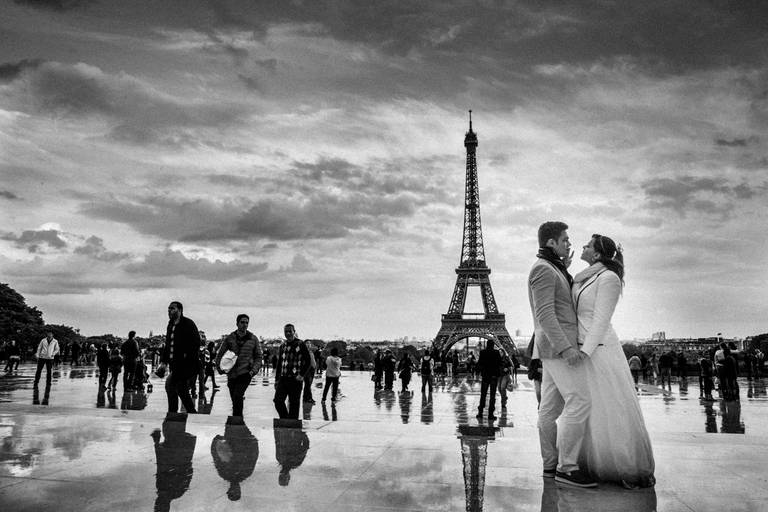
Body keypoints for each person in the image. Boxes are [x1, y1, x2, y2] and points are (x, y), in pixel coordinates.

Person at [572, 233, 654, 488]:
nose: (582, 247)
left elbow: (601, 320)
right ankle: (594, 461)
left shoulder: (608, 278)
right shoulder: (584, 278)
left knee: (609, 406)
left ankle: (621, 464)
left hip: (599, 350)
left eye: (587, 245)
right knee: (593, 407)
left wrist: (584, 351)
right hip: (585, 346)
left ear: (596, 254)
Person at [528, 221, 595, 488]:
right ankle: (567, 467)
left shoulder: (550, 268)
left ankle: (550, 464)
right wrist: (567, 348)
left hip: (550, 350)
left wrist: (564, 267)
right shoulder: (544, 270)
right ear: (551, 243)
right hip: (559, 349)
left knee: (549, 409)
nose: (569, 243)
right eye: (565, 239)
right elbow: (545, 314)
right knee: (580, 401)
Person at [216, 314, 262, 418]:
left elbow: (259, 357)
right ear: (237, 323)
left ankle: (237, 420)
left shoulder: (253, 339)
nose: (245, 325)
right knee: (235, 398)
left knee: (238, 396)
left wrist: (253, 371)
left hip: (245, 373)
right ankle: (236, 418)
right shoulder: (230, 338)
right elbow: (220, 354)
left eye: (246, 322)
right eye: (242, 322)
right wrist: (219, 368)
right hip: (232, 374)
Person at [161, 301, 200, 414]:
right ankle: (191, 413)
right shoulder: (171, 324)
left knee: (170, 384)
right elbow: (168, 344)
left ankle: (172, 412)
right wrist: (164, 362)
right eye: (168, 308)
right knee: (182, 391)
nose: (169, 311)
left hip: (186, 365)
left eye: (172, 308)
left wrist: (187, 357)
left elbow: (196, 343)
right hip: (175, 365)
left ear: (180, 310)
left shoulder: (188, 323)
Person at [211, 416, 259, 501]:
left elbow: (216, 456)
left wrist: (216, 441)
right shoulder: (245, 473)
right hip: (243, 437)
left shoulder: (225, 473)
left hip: (235, 435)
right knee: (237, 414)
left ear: (229, 490)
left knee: (235, 414)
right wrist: (253, 441)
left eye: (232, 491)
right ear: (239, 490)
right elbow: (254, 455)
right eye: (236, 491)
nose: (235, 489)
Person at [273, 324, 312, 419]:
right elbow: (279, 364)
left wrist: (302, 375)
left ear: (294, 332)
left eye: (290, 331)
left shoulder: (300, 344)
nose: (288, 333)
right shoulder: (283, 346)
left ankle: (293, 424)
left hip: (295, 380)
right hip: (283, 379)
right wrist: (277, 380)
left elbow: (308, 361)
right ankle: (285, 419)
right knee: (278, 401)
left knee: (294, 404)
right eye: (286, 331)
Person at [476, 338, 503, 420]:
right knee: (492, 395)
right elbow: (499, 363)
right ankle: (490, 414)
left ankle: (480, 413)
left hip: (485, 376)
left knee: (483, 395)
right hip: (494, 376)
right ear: (493, 345)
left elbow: (480, 363)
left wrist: (479, 372)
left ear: (487, 345)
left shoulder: (482, 352)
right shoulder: (496, 352)